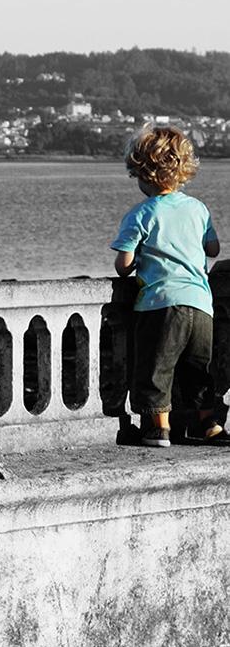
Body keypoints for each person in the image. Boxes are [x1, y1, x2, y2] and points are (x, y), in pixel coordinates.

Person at [111, 124, 228, 447]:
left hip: (160, 302)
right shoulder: (197, 209)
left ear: (143, 174)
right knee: (198, 369)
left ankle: (157, 428)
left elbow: (123, 266)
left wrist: (138, 261)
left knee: (155, 367)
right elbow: (213, 249)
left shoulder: (141, 214)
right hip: (201, 303)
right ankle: (210, 425)